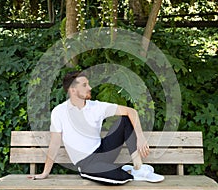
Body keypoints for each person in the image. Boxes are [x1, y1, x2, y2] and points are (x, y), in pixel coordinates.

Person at [29, 71, 164, 184]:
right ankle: (125, 172)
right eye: (85, 85)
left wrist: (140, 138)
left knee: (124, 119)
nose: (90, 88)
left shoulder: (96, 106)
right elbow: (54, 144)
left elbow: (131, 112)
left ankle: (138, 168)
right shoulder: (59, 112)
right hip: (86, 163)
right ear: (73, 90)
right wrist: (45, 173)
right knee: (121, 179)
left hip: (103, 151)